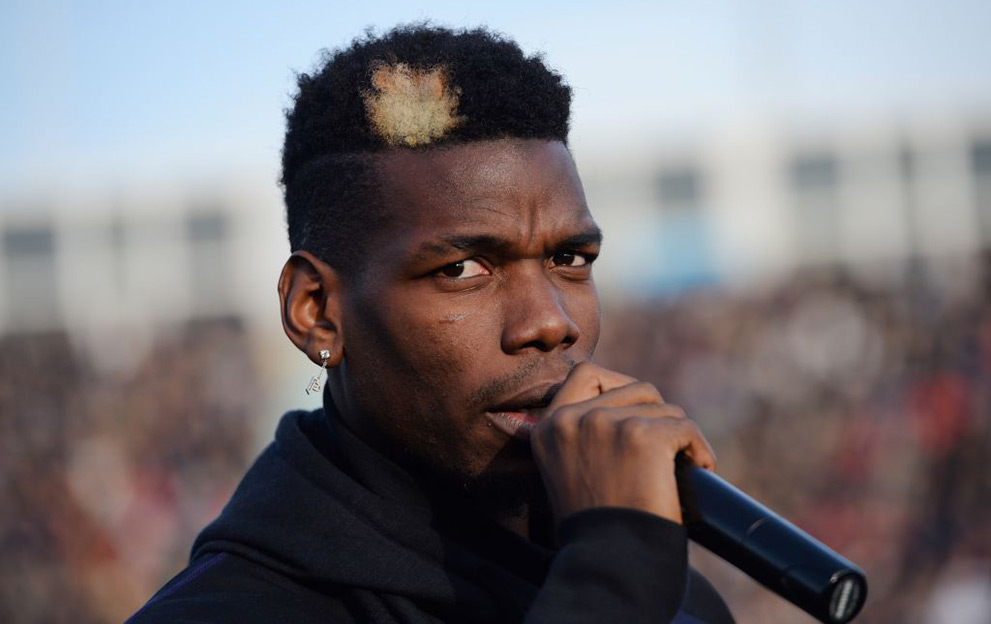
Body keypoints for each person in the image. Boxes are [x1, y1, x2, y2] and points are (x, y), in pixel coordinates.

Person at [127, 24, 735, 624]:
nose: (550, 322)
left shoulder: (678, 600)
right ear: (316, 312)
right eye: (463, 268)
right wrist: (614, 580)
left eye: (570, 259)